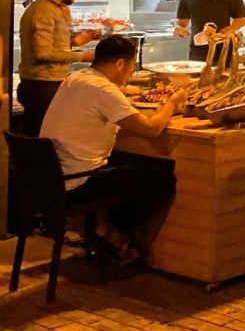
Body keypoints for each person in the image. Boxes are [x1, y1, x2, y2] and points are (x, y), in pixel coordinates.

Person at [39, 35, 184, 264]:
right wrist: (173, 102)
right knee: (162, 177)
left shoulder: (76, 78)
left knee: (135, 163)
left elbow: (113, 96)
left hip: (49, 179)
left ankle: (103, 231)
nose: (131, 74)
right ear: (120, 64)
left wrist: (140, 92)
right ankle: (111, 231)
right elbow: (151, 129)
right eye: (131, 67)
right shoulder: (104, 90)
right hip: (78, 183)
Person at [18, 0, 101, 136]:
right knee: (43, 140)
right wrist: (84, 57)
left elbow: (63, 44)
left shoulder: (60, 8)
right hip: (41, 87)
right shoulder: (43, 11)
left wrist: (89, 37)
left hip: (53, 84)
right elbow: (43, 53)